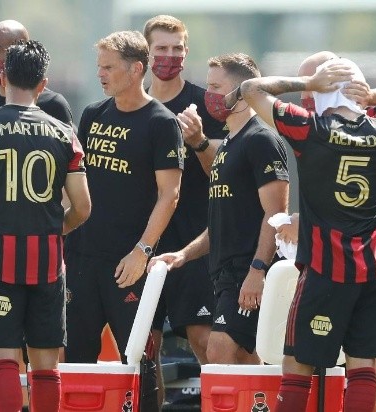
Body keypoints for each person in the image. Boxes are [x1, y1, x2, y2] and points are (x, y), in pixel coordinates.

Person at [240, 57, 376, 412]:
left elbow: (250, 89)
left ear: (324, 93)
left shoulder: (309, 128)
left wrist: (309, 83)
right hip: (375, 267)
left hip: (325, 268)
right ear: (359, 94)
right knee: (363, 365)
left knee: (298, 363)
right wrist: (374, 93)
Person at [0, 40, 91, 412]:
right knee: (46, 366)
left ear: (2, 79)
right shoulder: (65, 134)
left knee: (3, 361)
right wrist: (56, 230)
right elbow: (82, 207)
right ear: (43, 85)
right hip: (47, 263)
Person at [64, 30, 183, 411]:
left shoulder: (161, 122)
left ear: (135, 69)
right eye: (99, 67)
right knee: (76, 361)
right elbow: (74, 185)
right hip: (82, 259)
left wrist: (142, 252)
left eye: (108, 67)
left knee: (139, 362)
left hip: (128, 264)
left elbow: (170, 195)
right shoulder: (92, 114)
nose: (101, 74)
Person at [151, 53, 290, 365]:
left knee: (218, 351)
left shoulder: (261, 140)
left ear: (242, 92)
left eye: (216, 86)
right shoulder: (227, 144)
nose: (208, 95)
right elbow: (222, 221)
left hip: (246, 272)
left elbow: (276, 214)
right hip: (222, 274)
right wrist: (184, 254)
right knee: (245, 358)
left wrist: (257, 270)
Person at [142, 15, 224, 407]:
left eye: (177, 49)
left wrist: (199, 140)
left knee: (205, 341)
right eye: (161, 49)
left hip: (195, 242)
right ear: (145, 53)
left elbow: (226, 172)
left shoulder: (203, 103)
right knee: (144, 347)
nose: (169, 57)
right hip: (142, 244)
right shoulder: (129, 104)